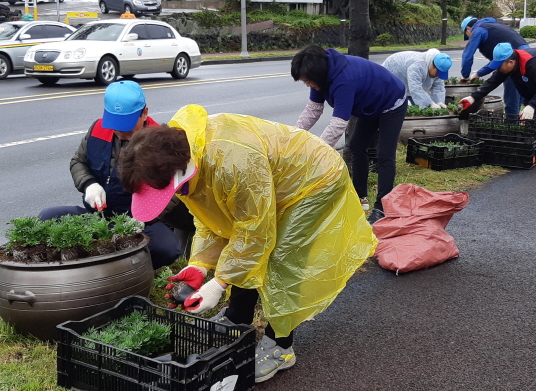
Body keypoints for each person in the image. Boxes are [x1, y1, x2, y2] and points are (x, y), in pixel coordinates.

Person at [117, 104, 377, 383]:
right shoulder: (180, 156)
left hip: (312, 180)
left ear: (180, 172)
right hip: (273, 182)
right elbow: (214, 221)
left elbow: (255, 233)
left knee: (282, 260)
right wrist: (201, 265)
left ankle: (281, 346)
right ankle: (237, 318)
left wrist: (220, 283)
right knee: (245, 245)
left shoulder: (232, 162)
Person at [38, 80, 194, 268]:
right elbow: (78, 162)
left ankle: (133, 273)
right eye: (116, 126)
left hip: (139, 220)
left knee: (167, 248)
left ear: (144, 113)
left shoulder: (160, 141)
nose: (120, 134)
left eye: (126, 127)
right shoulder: (97, 130)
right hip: (98, 216)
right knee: (48, 216)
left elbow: (175, 191)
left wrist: (145, 219)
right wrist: (89, 185)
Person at [291, 45, 407, 225]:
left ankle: (382, 207)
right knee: (356, 147)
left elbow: (338, 124)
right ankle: (360, 198)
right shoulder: (320, 77)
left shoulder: (343, 80)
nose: (307, 85)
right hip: (369, 106)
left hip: (391, 102)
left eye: (307, 81)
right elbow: (313, 110)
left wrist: (317, 151)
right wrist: (293, 137)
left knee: (385, 155)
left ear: (317, 74)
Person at [458, 42, 536, 161]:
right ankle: (532, 146)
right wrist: (472, 98)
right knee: (531, 112)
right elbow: (493, 82)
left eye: (500, 65)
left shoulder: (532, 63)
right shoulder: (509, 65)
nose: (499, 68)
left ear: (511, 62)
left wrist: (532, 105)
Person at [460, 16, 530, 118]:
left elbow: (468, 54)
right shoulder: (493, 26)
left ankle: (512, 128)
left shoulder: (478, 30)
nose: (469, 37)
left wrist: (465, 76)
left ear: (468, 28)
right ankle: (516, 123)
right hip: (525, 57)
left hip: (513, 61)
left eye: (467, 35)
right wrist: (478, 73)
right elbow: (497, 61)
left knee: (511, 99)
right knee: (517, 94)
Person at [381, 49, 453, 110]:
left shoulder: (437, 65)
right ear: (433, 66)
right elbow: (415, 88)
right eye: (438, 73)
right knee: (399, 105)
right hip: (391, 74)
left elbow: (438, 87)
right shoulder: (417, 65)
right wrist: (430, 104)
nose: (438, 76)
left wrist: (438, 102)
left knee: (416, 102)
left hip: (406, 80)